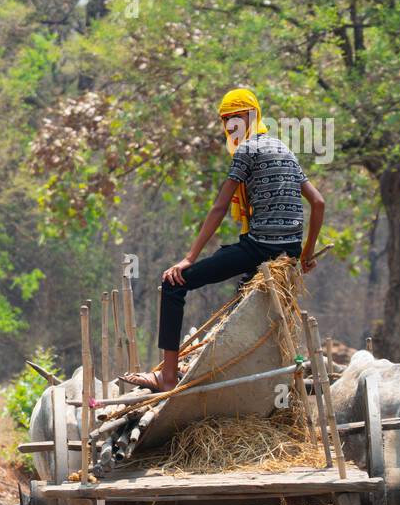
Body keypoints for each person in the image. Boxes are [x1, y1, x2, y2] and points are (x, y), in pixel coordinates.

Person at [123, 88, 325, 392]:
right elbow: (318, 202)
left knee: (173, 284)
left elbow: (219, 207)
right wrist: (305, 254)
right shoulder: (283, 147)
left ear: (251, 117)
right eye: (227, 121)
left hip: (261, 247)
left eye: (236, 119)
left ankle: (166, 377)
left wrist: (189, 258)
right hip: (289, 251)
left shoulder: (247, 150)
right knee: (247, 296)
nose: (231, 127)